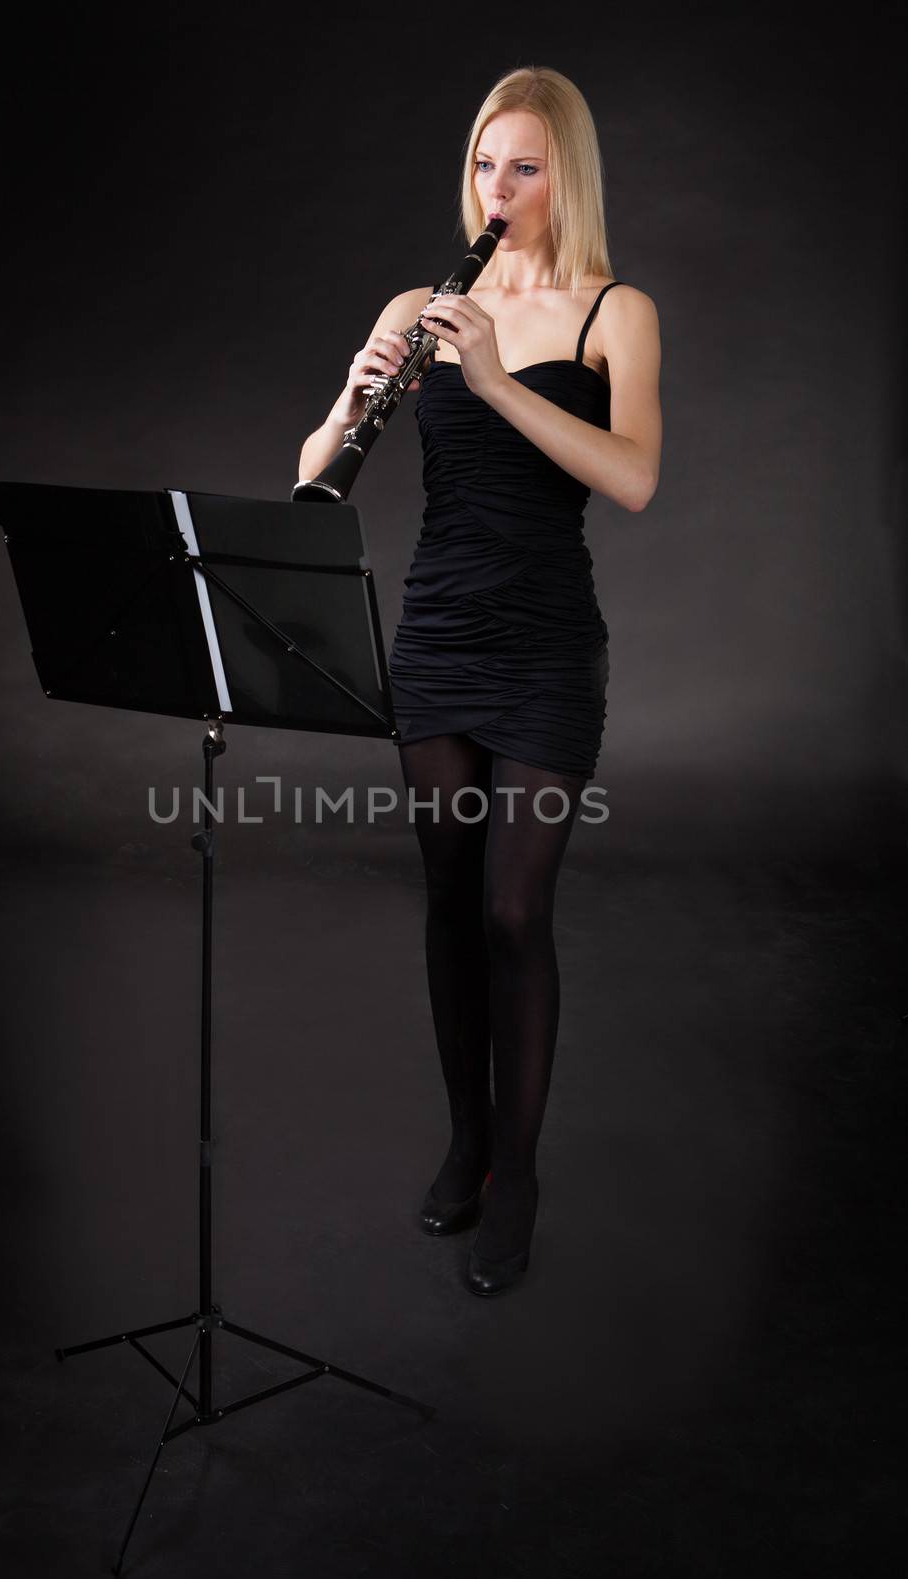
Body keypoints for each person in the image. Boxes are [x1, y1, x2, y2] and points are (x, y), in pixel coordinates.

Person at [297, 67, 662, 1296]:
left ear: (567, 173)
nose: (494, 191)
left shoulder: (615, 311)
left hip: (549, 644)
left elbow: (632, 480)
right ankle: (465, 1143)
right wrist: (351, 401)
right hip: (438, 637)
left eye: (522, 167)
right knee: (450, 901)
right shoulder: (423, 301)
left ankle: (520, 1166)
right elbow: (313, 461)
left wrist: (499, 378)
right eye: (480, 167)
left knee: (516, 913)